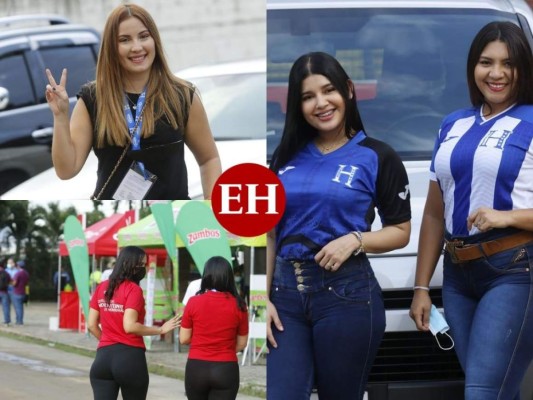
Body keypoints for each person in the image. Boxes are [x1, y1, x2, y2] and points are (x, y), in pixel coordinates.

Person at [266, 52, 411, 400]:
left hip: (346, 295)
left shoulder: (378, 156)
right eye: (307, 96)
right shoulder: (282, 158)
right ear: (296, 105)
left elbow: (401, 231)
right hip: (283, 298)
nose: (320, 103)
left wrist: (355, 240)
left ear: (347, 90)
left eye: (328, 90)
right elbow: (268, 232)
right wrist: (260, 297)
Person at [409, 21, 533, 400]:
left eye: (508, 64)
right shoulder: (453, 123)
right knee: (496, 390)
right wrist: (420, 287)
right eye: (486, 62)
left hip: (513, 269)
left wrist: (507, 216)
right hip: (458, 276)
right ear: (472, 67)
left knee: (482, 392)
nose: (496, 73)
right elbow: (433, 213)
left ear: (524, 69)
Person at [45, 3, 221, 200]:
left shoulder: (182, 95)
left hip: (173, 220)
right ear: (112, 47)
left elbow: (209, 159)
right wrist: (60, 117)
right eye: (125, 40)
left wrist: (211, 212)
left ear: (154, 40)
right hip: (120, 218)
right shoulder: (93, 98)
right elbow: (66, 170)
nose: (137, 47)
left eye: (144, 36)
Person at [88, 246, 181, 400]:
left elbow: (91, 324)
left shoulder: (102, 287)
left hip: (102, 360)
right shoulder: (133, 290)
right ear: (130, 265)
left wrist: (107, 340)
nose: (143, 268)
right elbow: (129, 326)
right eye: (141, 265)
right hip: (129, 359)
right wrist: (160, 330)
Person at [179, 256, 249, 400]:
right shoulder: (240, 305)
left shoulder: (193, 302)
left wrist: (202, 342)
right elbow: (242, 343)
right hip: (226, 368)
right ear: (229, 277)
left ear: (206, 276)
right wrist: (224, 348)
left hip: (197, 367)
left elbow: (184, 339)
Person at [11, 261, 29, 325]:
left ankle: (19, 321)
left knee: (18, 307)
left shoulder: (18, 273)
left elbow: (14, 283)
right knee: (21, 307)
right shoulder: (26, 273)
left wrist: (11, 283)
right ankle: (20, 320)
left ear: (18, 266)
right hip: (23, 292)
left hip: (17, 292)